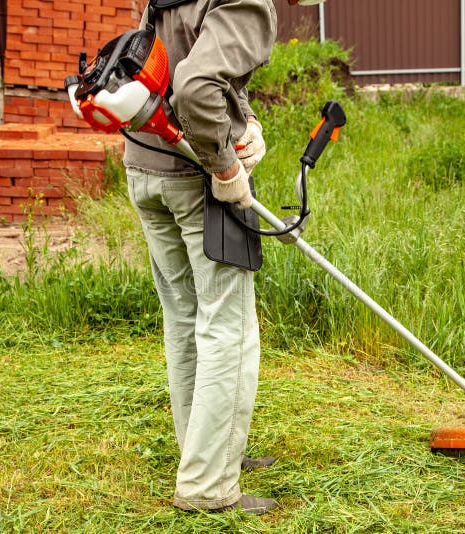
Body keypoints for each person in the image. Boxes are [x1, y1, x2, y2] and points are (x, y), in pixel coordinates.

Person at [123, 0, 325, 515]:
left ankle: (205, 453)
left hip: (145, 169)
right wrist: (227, 165)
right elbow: (193, 86)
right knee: (227, 327)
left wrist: (246, 119)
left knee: (185, 318)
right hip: (194, 177)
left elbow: (173, 63)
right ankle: (210, 485)